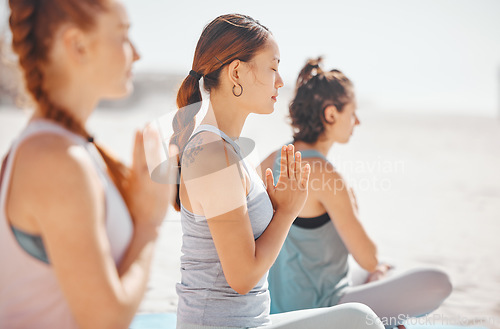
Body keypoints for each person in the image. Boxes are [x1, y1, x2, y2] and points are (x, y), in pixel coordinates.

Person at [171, 14, 385, 329]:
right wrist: (286, 212)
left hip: (252, 321)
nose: (280, 81)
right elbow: (243, 277)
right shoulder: (214, 156)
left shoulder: (228, 150)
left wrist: (275, 208)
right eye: (272, 67)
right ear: (236, 72)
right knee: (362, 320)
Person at [0, 1, 173, 328]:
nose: (137, 53)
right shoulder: (57, 161)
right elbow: (106, 320)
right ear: (77, 45)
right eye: (123, 36)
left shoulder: (63, 147)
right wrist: (149, 223)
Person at [260, 58, 453, 328]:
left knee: (372, 271)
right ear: (330, 114)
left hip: (276, 310)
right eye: (352, 113)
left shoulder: (268, 162)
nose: (357, 121)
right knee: (435, 281)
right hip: (323, 309)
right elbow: (368, 257)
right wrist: (379, 270)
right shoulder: (325, 174)